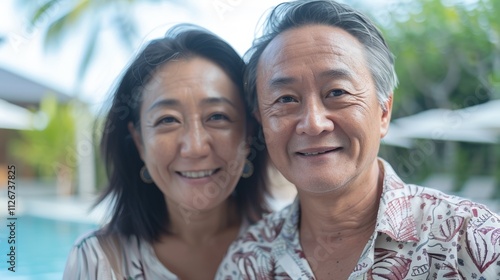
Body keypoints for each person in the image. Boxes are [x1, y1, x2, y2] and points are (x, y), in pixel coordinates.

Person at [217, 1, 500, 279]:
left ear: (384, 112)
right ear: (261, 123)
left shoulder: (472, 240)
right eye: (286, 99)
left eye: (337, 92)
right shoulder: (247, 261)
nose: (313, 123)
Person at [63, 24, 270, 280]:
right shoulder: (98, 260)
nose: (195, 147)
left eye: (217, 116)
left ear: (249, 134)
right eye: (168, 120)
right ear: (139, 141)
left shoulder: (289, 245)